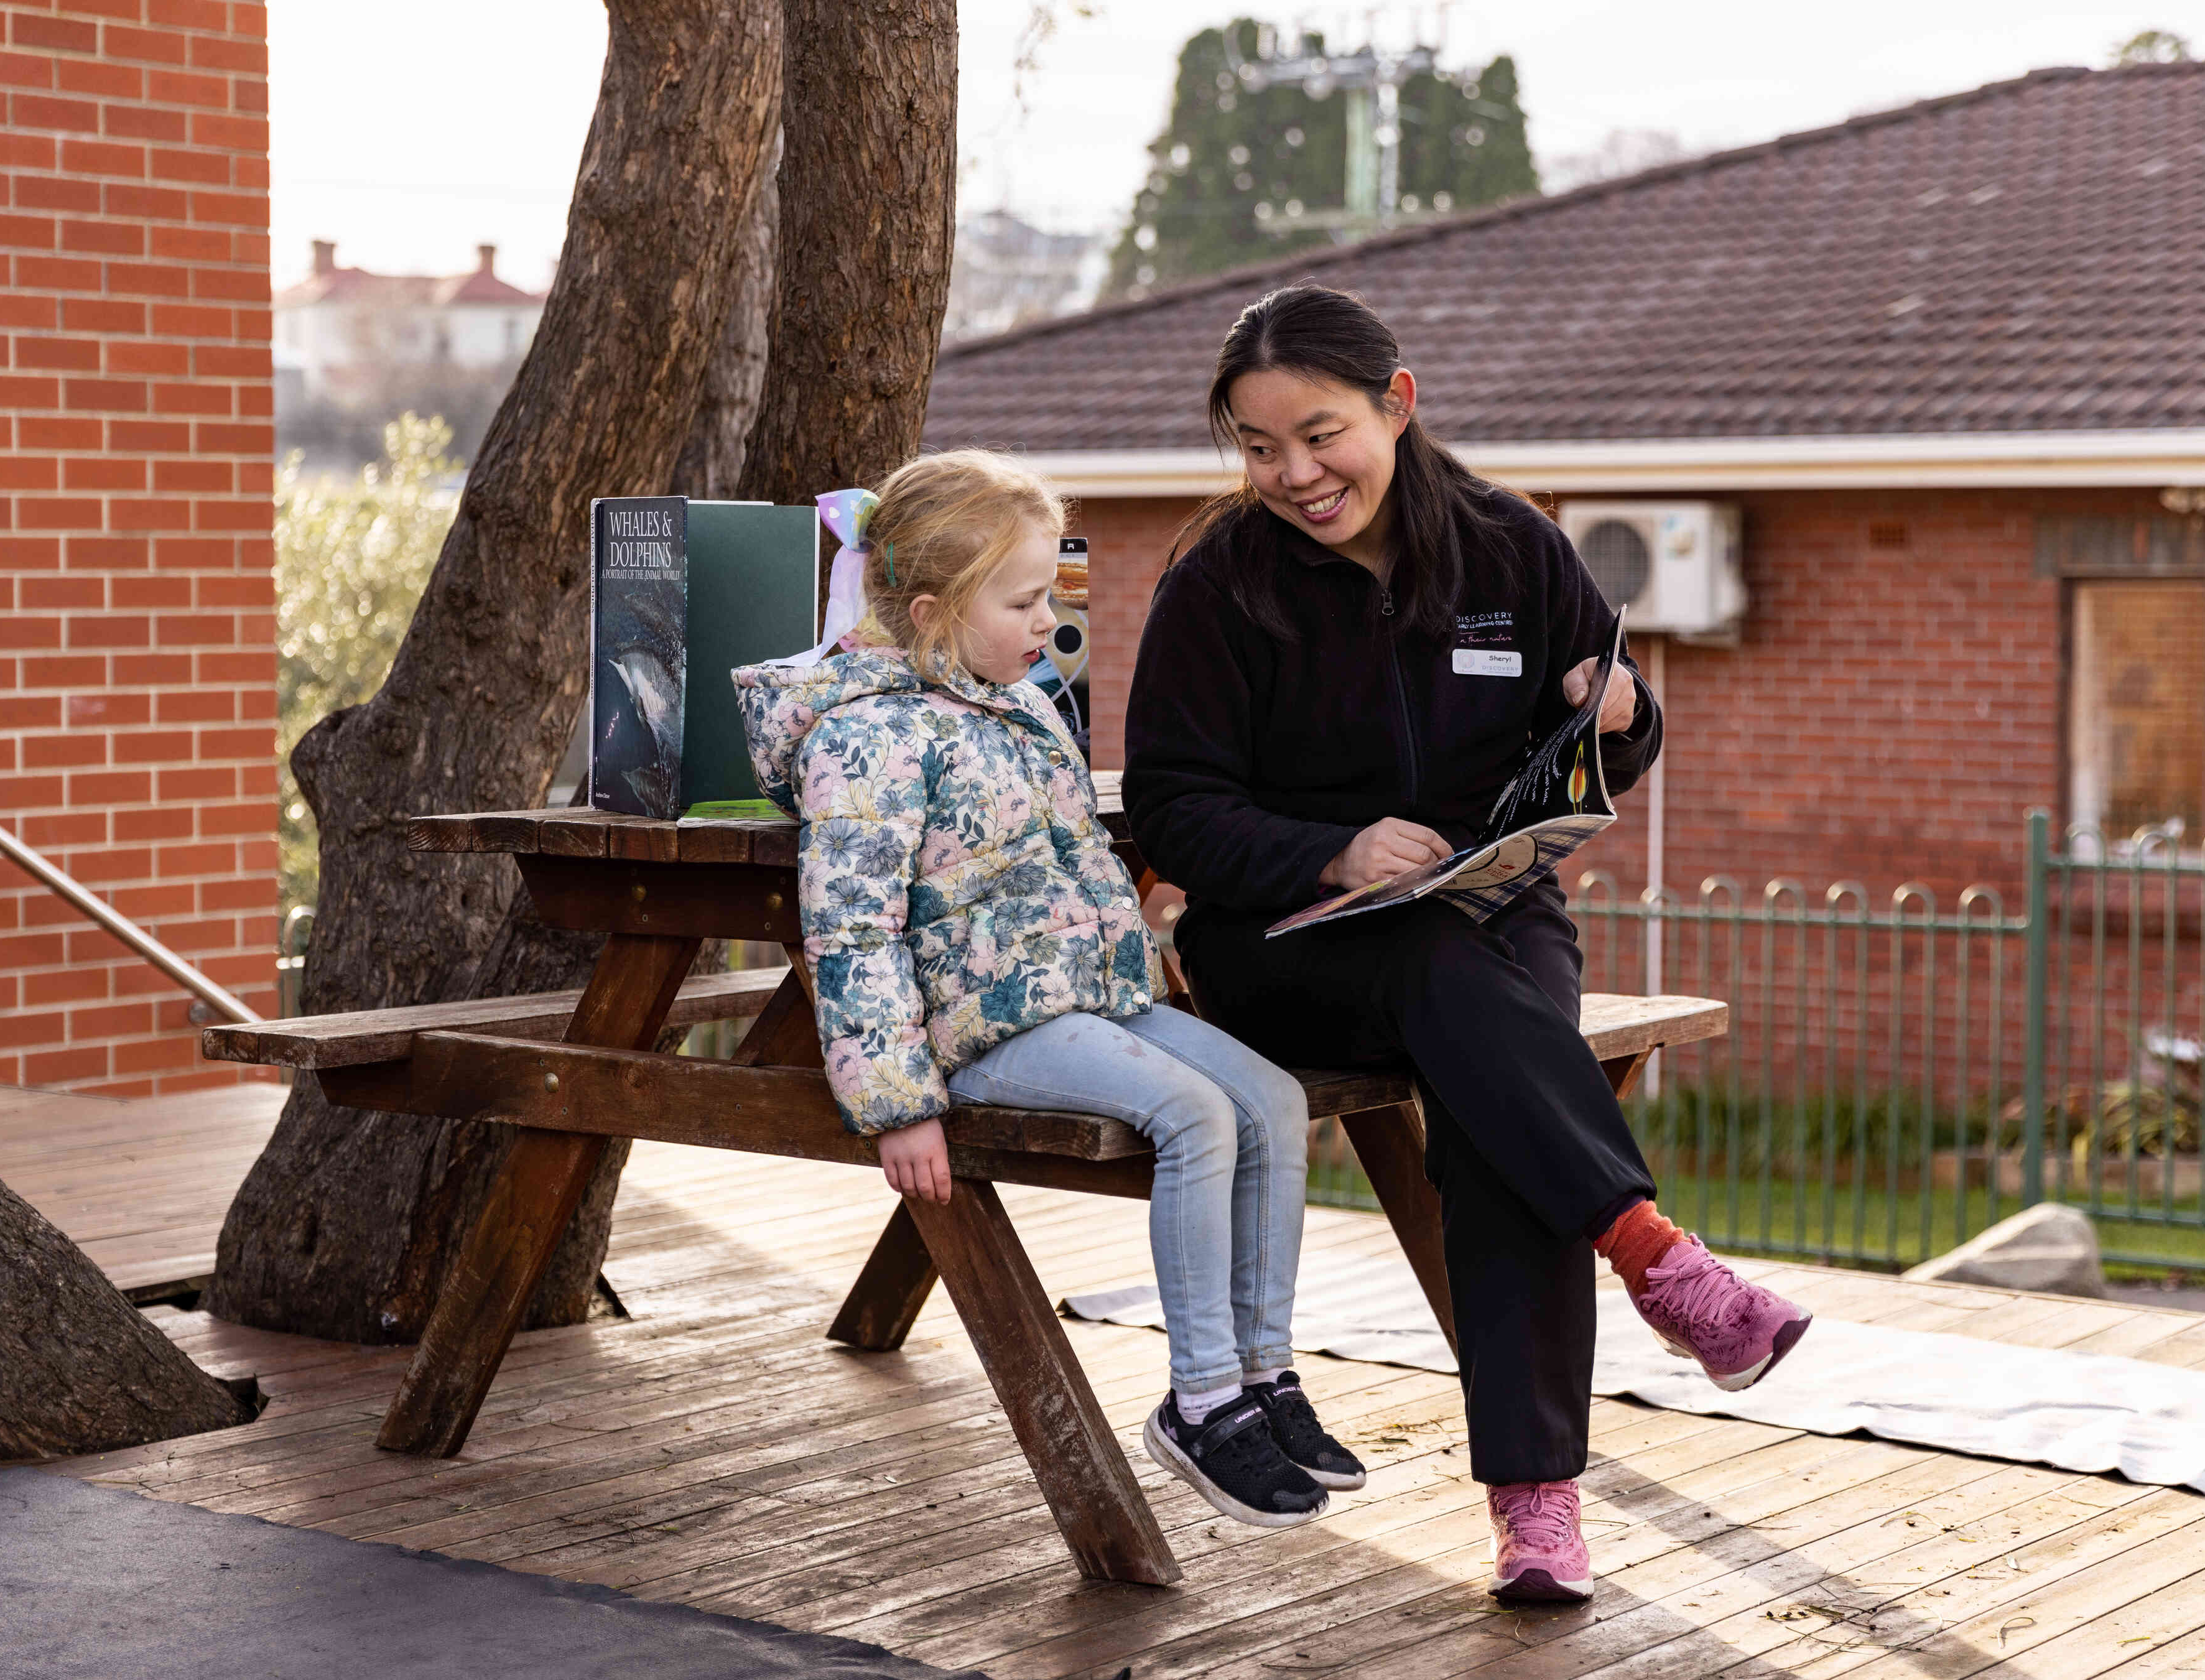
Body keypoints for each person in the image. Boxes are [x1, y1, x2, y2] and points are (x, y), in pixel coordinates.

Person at [1123, 285, 1813, 1603]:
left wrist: (1622, 711)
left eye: (1318, 435)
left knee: (1494, 1089)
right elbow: (1171, 806)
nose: (1292, 474)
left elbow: (1605, 738)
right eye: (1259, 448)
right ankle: (1657, 1262)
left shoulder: (1512, 548)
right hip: (1284, 945)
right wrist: (1332, 851)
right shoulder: (1220, 583)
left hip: (1494, 911)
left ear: (1398, 403)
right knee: (1469, 1008)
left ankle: (1536, 1508)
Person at [740, 448, 1357, 1529]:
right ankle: (1202, 1401)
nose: (1046, 621)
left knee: (1270, 1096)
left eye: (1049, 594)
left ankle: (1263, 1374)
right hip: (983, 1029)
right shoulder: (865, 738)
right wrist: (899, 1106)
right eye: (1023, 601)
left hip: (1084, 999)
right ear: (932, 614)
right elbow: (850, 929)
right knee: (1197, 1113)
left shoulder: (1018, 704)